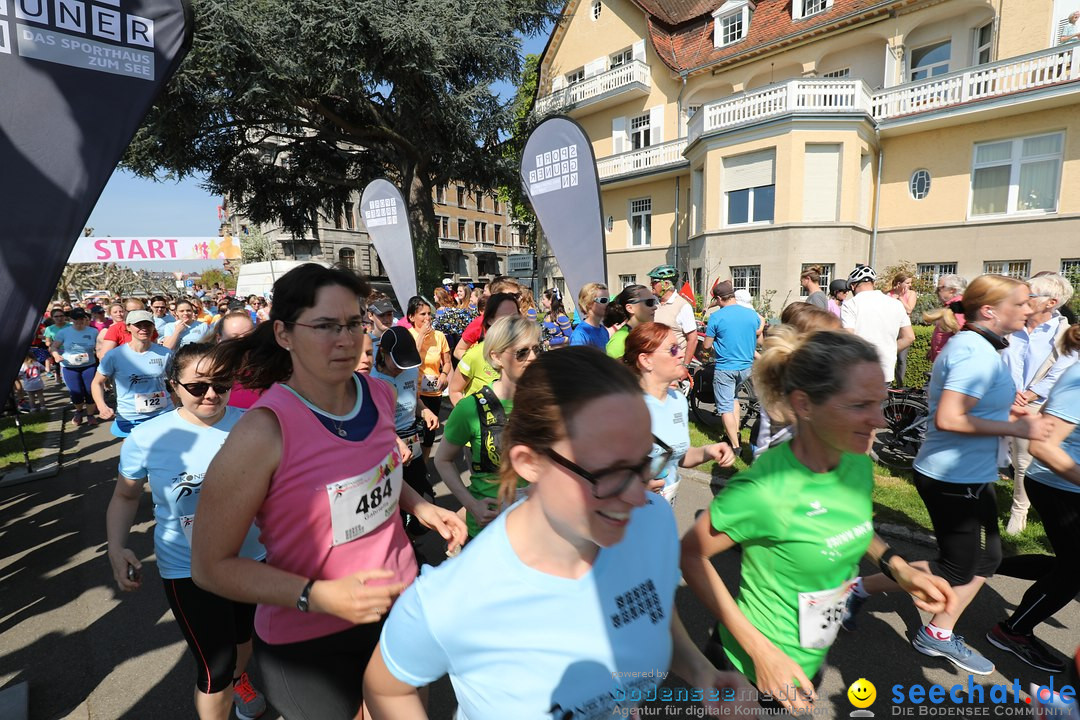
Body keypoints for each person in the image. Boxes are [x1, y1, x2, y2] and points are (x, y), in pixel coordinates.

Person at [365, 347, 753, 719]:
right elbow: (385, 687)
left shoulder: (652, 523)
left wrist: (702, 673)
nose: (639, 495)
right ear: (529, 462)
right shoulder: (452, 599)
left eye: (643, 462)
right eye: (608, 472)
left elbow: (650, 606)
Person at [189, 263, 465, 720]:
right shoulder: (262, 433)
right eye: (325, 326)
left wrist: (422, 506)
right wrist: (315, 595)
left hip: (397, 606)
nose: (346, 338)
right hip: (309, 637)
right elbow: (209, 567)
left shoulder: (376, 394)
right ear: (284, 333)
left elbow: (375, 474)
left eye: (355, 323)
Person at [681, 328, 955, 715]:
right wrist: (762, 654)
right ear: (804, 405)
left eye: (879, 403)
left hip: (811, 650)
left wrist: (898, 569)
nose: (878, 420)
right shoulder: (766, 488)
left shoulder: (855, 460)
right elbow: (690, 555)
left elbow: (851, 525)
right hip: (750, 665)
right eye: (860, 405)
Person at [844, 274, 1051, 676]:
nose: (1029, 309)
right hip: (953, 478)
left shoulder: (983, 347)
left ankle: (933, 628)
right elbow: (950, 417)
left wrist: (1013, 410)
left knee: (987, 559)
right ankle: (863, 593)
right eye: (1023, 303)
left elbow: (974, 407)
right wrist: (1016, 428)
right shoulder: (974, 351)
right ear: (990, 310)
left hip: (970, 474)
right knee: (958, 566)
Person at [105, 343, 268, 720]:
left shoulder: (257, 422)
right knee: (215, 668)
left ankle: (240, 679)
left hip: (252, 558)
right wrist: (117, 548)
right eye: (197, 387)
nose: (211, 394)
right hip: (189, 567)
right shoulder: (147, 438)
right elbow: (125, 497)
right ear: (173, 385)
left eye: (221, 384)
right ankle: (228, 686)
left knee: (244, 639)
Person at [987, 324, 1080, 673]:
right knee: (1074, 569)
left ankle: (983, 566)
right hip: (1059, 486)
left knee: (1067, 564)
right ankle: (1012, 631)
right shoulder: (1079, 378)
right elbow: (1043, 445)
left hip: (1070, 485)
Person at [436, 315, 540, 538]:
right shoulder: (470, 408)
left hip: (535, 524)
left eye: (536, 349)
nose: (532, 357)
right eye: (522, 352)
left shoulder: (546, 402)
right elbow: (442, 460)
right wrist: (472, 505)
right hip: (489, 528)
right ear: (496, 357)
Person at [625, 322, 735, 505]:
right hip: (625, 516)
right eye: (673, 349)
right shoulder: (625, 407)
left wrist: (708, 451)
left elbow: (678, 455)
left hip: (664, 510)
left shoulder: (678, 401)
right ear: (646, 360)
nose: (682, 353)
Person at [1002, 273, 1076, 534]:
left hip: (1035, 404)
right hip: (1002, 397)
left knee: (1023, 459)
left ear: (1051, 302)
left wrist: (1030, 394)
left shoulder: (1065, 333)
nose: (1022, 299)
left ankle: (1018, 513)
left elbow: (1063, 369)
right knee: (996, 452)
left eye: (1030, 295)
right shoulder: (1012, 323)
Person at [369, 326, 440, 505]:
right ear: (383, 353)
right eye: (397, 363)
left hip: (411, 438)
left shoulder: (411, 368)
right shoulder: (369, 376)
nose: (402, 369)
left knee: (424, 498)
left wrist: (424, 410)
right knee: (392, 502)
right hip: (383, 443)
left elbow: (415, 398)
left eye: (405, 364)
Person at [91, 310, 174, 437]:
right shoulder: (115, 355)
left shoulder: (165, 353)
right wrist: (102, 406)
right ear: (128, 327)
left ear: (153, 326)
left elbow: (177, 381)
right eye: (138, 325)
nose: (143, 329)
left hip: (163, 413)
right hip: (130, 415)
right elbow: (97, 382)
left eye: (147, 325)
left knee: (165, 453)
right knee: (133, 454)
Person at [703, 281, 760, 456]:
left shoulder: (717, 317)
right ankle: (734, 432)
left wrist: (713, 349)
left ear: (719, 298)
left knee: (725, 407)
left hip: (725, 367)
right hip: (745, 368)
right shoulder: (752, 315)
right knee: (733, 399)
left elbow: (706, 346)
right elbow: (756, 334)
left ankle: (735, 446)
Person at [841, 264, 914, 387]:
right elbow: (909, 337)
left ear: (853, 286)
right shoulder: (895, 304)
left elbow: (849, 338)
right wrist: (888, 349)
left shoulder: (851, 304)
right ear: (873, 283)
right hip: (885, 371)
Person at [448, 292, 520, 405]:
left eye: (515, 316)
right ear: (490, 319)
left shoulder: (527, 352)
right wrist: (471, 418)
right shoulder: (475, 354)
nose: (511, 322)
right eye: (505, 317)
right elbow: (455, 391)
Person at [407, 297, 452, 464]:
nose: (427, 318)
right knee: (414, 432)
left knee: (429, 432)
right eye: (422, 314)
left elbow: (446, 362)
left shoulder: (439, 336)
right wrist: (422, 336)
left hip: (433, 392)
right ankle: (412, 464)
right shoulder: (407, 335)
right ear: (411, 317)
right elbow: (411, 358)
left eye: (429, 314)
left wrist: (443, 375)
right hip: (413, 392)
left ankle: (424, 466)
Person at [50, 308, 101, 427]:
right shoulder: (64, 332)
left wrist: (100, 354)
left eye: (82, 319)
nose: (79, 321)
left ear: (85, 318)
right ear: (71, 319)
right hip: (69, 366)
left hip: (89, 365)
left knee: (90, 391)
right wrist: (56, 355)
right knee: (76, 392)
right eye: (76, 319)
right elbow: (53, 347)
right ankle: (78, 411)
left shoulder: (93, 331)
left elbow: (99, 347)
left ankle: (90, 415)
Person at [453, 276, 520, 360]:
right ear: (495, 297)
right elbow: (458, 350)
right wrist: (478, 366)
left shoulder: (522, 321)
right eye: (510, 295)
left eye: (517, 295)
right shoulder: (481, 322)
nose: (516, 299)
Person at [649, 264, 698, 363]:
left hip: (674, 365)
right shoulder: (651, 303)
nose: (651, 284)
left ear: (666, 284)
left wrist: (685, 366)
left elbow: (693, 339)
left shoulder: (683, 306)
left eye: (654, 281)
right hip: (655, 364)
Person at [605, 284, 657, 359]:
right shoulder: (620, 340)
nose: (655, 307)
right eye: (649, 302)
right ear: (630, 308)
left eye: (654, 301)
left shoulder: (652, 333)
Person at [927, 274, 968, 362]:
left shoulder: (957, 306)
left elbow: (963, 333)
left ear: (952, 290)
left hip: (950, 361)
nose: (937, 292)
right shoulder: (953, 305)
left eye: (940, 288)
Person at [888, 271, 919, 384]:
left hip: (903, 330)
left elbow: (909, 309)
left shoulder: (911, 294)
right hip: (890, 329)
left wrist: (900, 298)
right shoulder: (888, 295)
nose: (909, 285)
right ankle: (888, 382)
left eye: (910, 283)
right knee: (888, 356)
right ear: (899, 283)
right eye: (907, 283)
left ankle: (899, 384)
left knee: (901, 359)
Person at [569, 282, 610, 349]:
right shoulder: (580, 334)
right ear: (589, 303)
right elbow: (576, 359)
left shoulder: (603, 330)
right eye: (603, 300)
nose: (607, 304)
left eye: (608, 300)